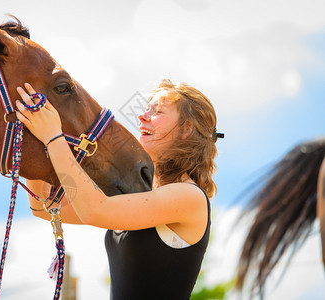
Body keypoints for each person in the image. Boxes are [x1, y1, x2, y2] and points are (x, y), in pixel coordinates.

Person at [16, 79, 221, 299]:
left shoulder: (188, 196)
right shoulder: (138, 191)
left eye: (158, 111)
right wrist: (35, 139)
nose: (143, 117)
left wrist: (53, 137)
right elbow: (43, 206)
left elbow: (94, 210)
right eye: (146, 109)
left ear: (186, 129)